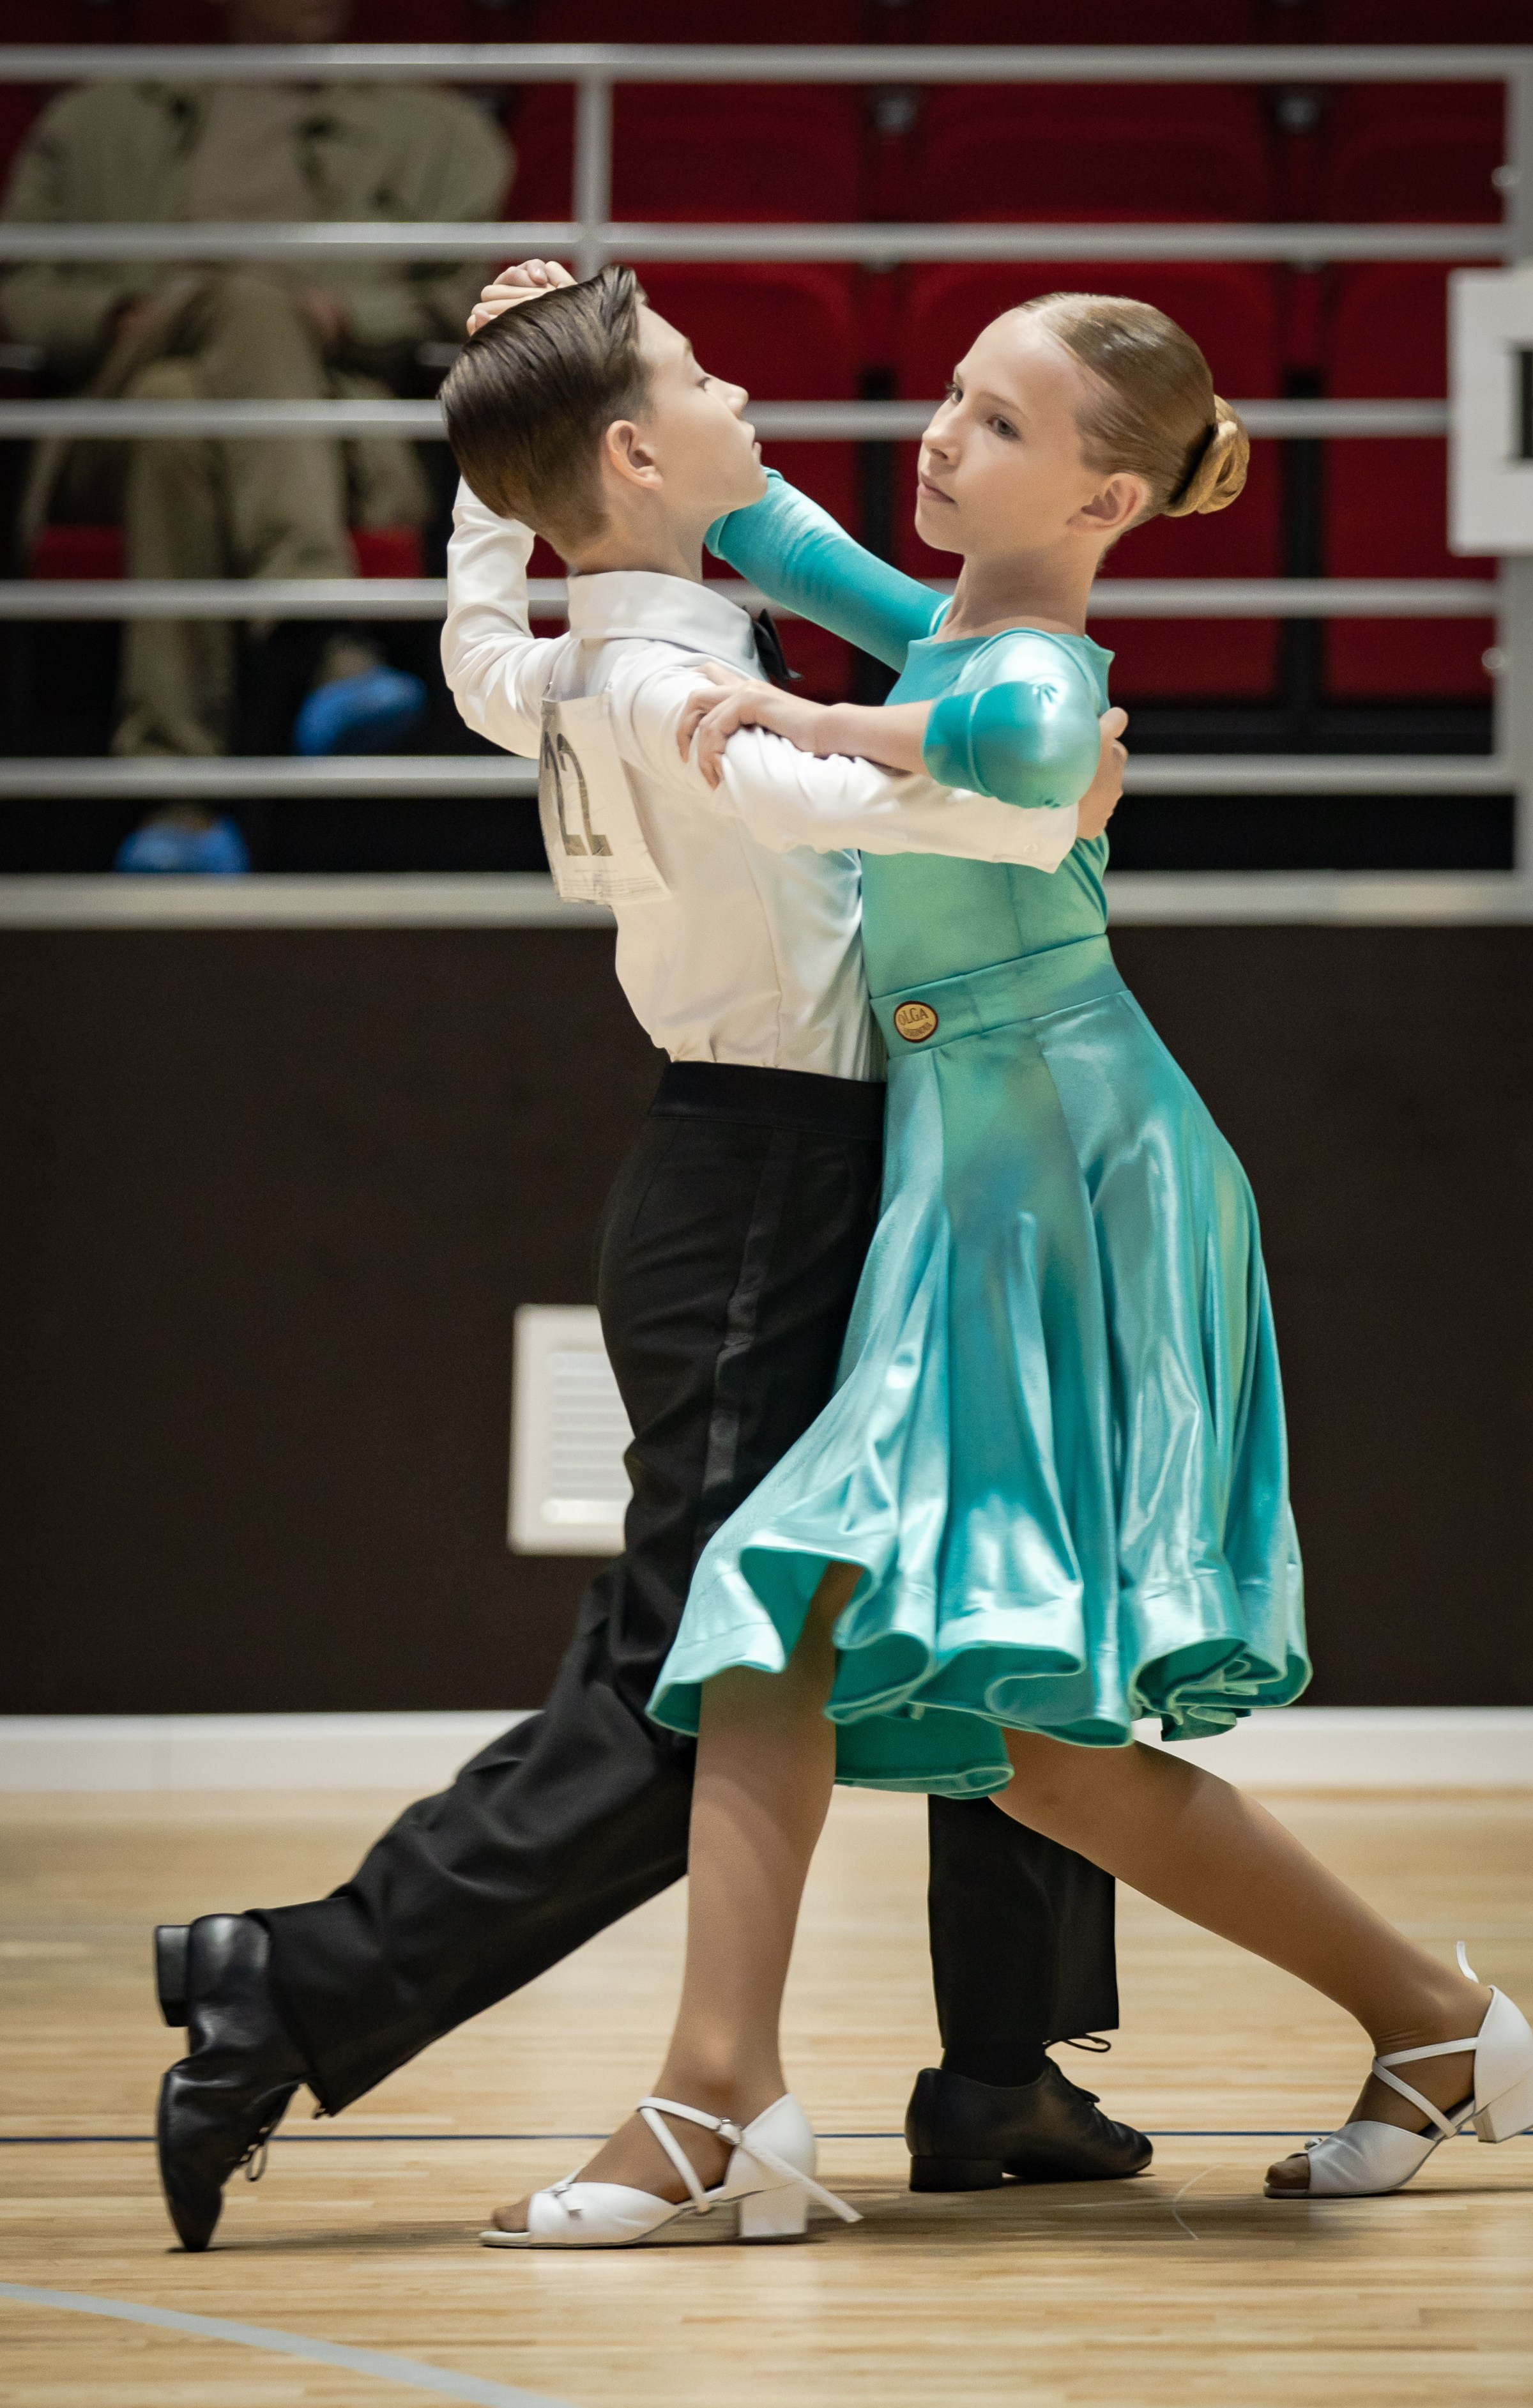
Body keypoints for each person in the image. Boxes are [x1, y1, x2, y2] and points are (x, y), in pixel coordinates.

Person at [489, 286, 1533, 2247]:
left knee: (799, 1602)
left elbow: (1019, 753)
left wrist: (809, 716)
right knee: (1034, 1754)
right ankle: (1434, 2020)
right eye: (955, 401)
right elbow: (762, 523)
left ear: (1111, 490)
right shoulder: (956, 619)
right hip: (974, 1170)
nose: (943, 439)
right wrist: (570, 346)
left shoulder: (1033, 665)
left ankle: (718, 2098)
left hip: (1071, 1175)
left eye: (995, 423)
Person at [149, 262, 1151, 2256]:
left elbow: (466, 651)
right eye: (698, 374)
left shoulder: (574, 651)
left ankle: (1005, 2065)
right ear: (631, 453)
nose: (740, 382)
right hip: (775, 1182)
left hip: (841, 1158)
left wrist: (482, 487)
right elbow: (844, 783)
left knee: (998, 1569)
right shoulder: (686, 681)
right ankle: (296, 1983)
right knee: (686, 1678)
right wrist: (1060, 812)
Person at [0, 0, 510, 850]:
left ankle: (181, 807)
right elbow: (17, 283)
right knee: (232, 307)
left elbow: (467, 293)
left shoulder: (439, 133)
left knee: (183, 404)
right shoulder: (93, 120)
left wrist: (347, 315)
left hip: (330, 423)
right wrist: (112, 315)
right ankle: (321, 631)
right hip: (107, 418)